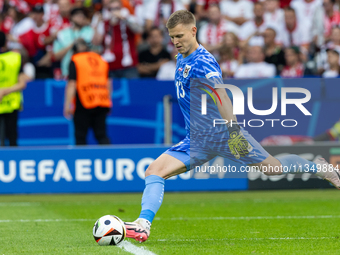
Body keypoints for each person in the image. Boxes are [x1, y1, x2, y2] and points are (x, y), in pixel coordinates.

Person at [123, 10, 340, 243]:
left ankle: (320, 168)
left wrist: (234, 130)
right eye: (172, 37)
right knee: (153, 171)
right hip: (196, 140)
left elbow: (222, 96)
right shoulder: (181, 58)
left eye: (180, 36)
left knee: (272, 168)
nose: (176, 42)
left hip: (224, 135)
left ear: (193, 31)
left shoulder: (203, 62)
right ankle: (143, 224)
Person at [63, 38, 112, 145]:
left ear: (75, 51)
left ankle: (81, 160)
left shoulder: (76, 59)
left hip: (83, 102)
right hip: (101, 100)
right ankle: (109, 158)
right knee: (102, 135)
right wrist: (108, 101)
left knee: (80, 136)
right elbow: (109, 82)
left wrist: (67, 105)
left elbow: (72, 84)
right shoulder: (101, 59)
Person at [0, 31, 29, 146]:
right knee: (12, 138)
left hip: (10, 103)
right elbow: (22, 83)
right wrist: (5, 91)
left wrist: (2, 91)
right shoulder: (15, 57)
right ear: (6, 42)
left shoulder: (15, 57)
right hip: (12, 102)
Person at [52, 7, 94, 78]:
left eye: (82, 15)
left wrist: (85, 47)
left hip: (88, 71)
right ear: (71, 17)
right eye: (78, 15)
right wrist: (72, 45)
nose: (81, 17)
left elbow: (98, 51)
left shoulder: (91, 31)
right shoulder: (62, 33)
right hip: (68, 71)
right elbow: (55, 56)